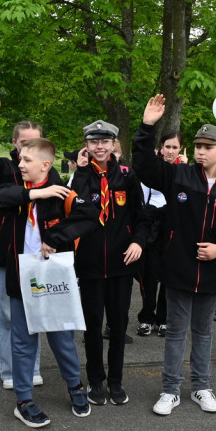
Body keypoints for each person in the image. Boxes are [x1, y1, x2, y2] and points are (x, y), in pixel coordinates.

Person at [132, 96, 216, 416]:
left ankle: (201, 386)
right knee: (175, 331)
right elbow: (143, 164)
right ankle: (170, 389)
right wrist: (147, 126)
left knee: (203, 331)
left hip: (212, 274)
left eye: (208, 146)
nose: (200, 151)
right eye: (198, 145)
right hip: (178, 269)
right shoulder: (178, 177)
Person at [0, 137, 99, 427]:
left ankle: (75, 387)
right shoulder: (15, 187)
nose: (20, 164)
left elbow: (89, 216)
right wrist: (34, 195)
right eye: (20, 159)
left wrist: (54, 238)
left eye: (26, 160)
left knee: (62, 336)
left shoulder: (63, 192)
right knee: (23, 341)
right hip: (21, 276)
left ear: (45, 165)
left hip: (53, 276)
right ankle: (23, 400)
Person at [69, 120, 151, 406]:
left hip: (120, 264)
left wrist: (138, 242)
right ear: (87, 146)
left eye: (105, 142)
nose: (99, 147)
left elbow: (142, 218)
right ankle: (95, 380)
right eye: (94, 142)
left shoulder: (127, 177)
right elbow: (75, 211)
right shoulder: (81, 177)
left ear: (113, 144)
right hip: (90, 265)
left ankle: (115, 381)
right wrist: (80, 171)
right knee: (92, 326)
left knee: (118, 324)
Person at [0, 88, 43, 390]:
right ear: (15, 143)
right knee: (7, 316)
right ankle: (9, 371)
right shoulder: (4, 169)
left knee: (34, 314)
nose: (29, 148)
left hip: (38, 255)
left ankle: (32, 367)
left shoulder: (47, 172)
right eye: (24, 142)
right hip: (7, 254)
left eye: (35, 142)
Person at [135, 130, 183, 338]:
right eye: (167, 147)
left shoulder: (184, 172)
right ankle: (146, 318)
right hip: (152, 228)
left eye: (174, 147)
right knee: (150, 274)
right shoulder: (151, 171)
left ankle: (163, 319)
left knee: (168, 276)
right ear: (161, 149)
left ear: (180, 149)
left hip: (172, 229)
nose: (170, 151)